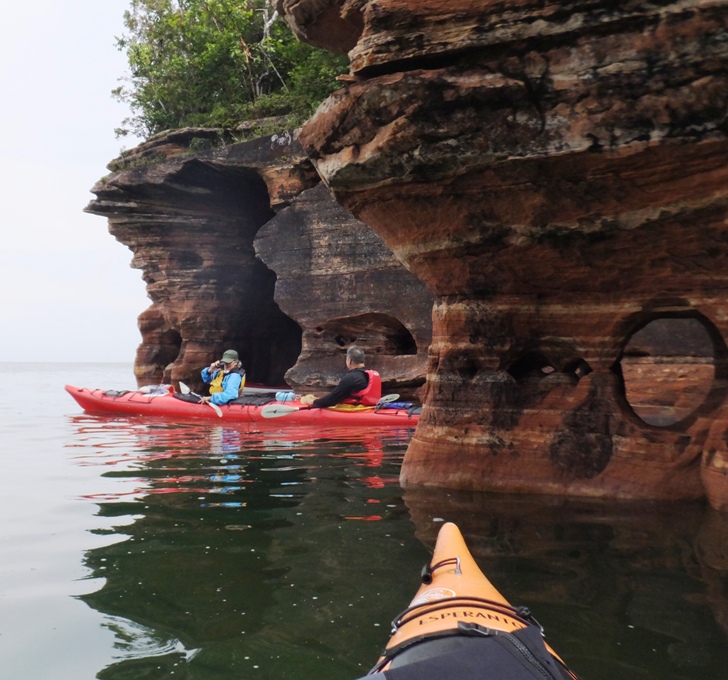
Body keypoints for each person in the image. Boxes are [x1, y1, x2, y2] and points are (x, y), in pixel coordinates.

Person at [300, 346, 382, 408]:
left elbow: (331, 400)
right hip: (371, 408)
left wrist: (314, 402)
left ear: (350, 360)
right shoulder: (369, 374)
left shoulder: (351, 377)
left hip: (357, 411)